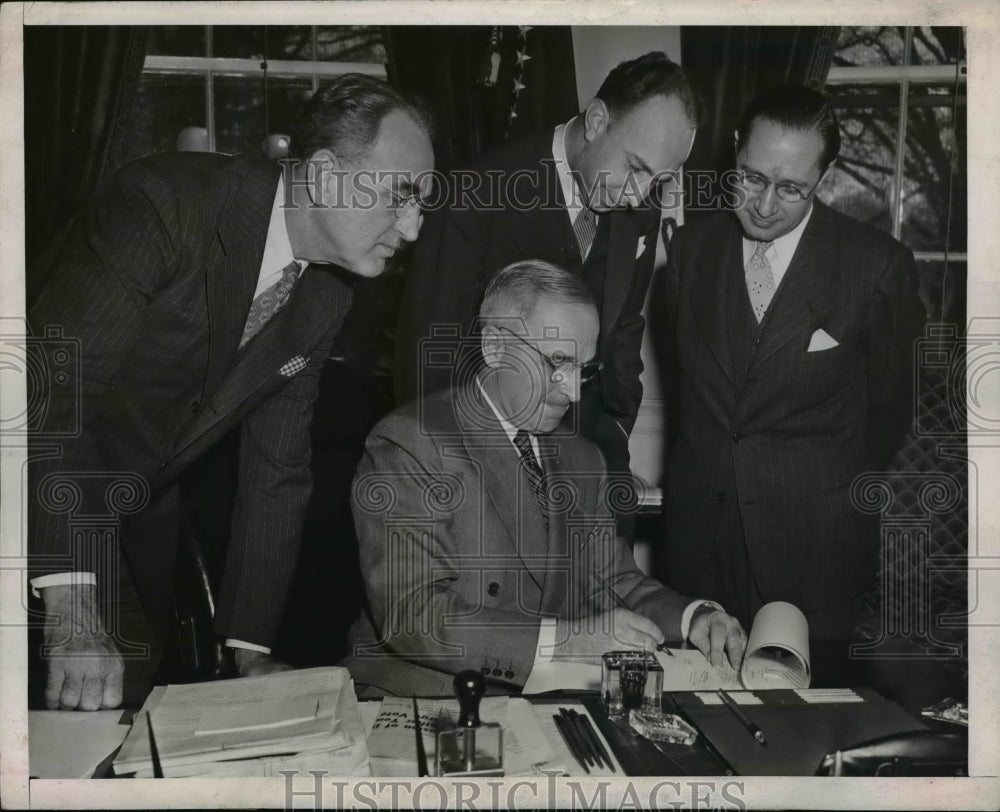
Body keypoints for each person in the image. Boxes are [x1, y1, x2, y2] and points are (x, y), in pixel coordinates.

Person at [27, 74, 435, 710]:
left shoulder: (327, 293)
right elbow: (51, 396)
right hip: (27, 499)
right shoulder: (163, 202)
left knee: (118, 737)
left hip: (133, 533)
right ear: (326, 175)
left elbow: (278, 471)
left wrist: (247, 651)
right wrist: (72, 608)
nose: (412, 229)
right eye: (402, 196)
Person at [346, 260, 745, 697]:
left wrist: (695, 617)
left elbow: (614, 580)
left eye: (585, 369)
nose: (573, 391)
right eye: (557, 362)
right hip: (427, 698)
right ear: (495, 347)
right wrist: (571, 639)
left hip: (540, 699)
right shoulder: (413, 442)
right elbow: (414, 618)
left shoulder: (582, 458)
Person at [660, 85, 925, 662]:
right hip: (696, 544)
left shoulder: (877, 268)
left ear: (824, 178)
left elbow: (887, 416)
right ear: (735, 150)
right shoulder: (688, 252)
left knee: (800, 737)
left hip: (813, 552)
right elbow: (690, 394)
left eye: (791, 189)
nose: (763, 204)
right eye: (751, 177)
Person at [393, 51, 701, 532]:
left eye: (659, 180)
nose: (639, 195)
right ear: (597, 120)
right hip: (485, 465)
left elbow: (624, 328)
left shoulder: (641, 205)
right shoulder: (479, 190)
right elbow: (428, 358)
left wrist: (616, 431)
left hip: (595, 464)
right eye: (636, 168)